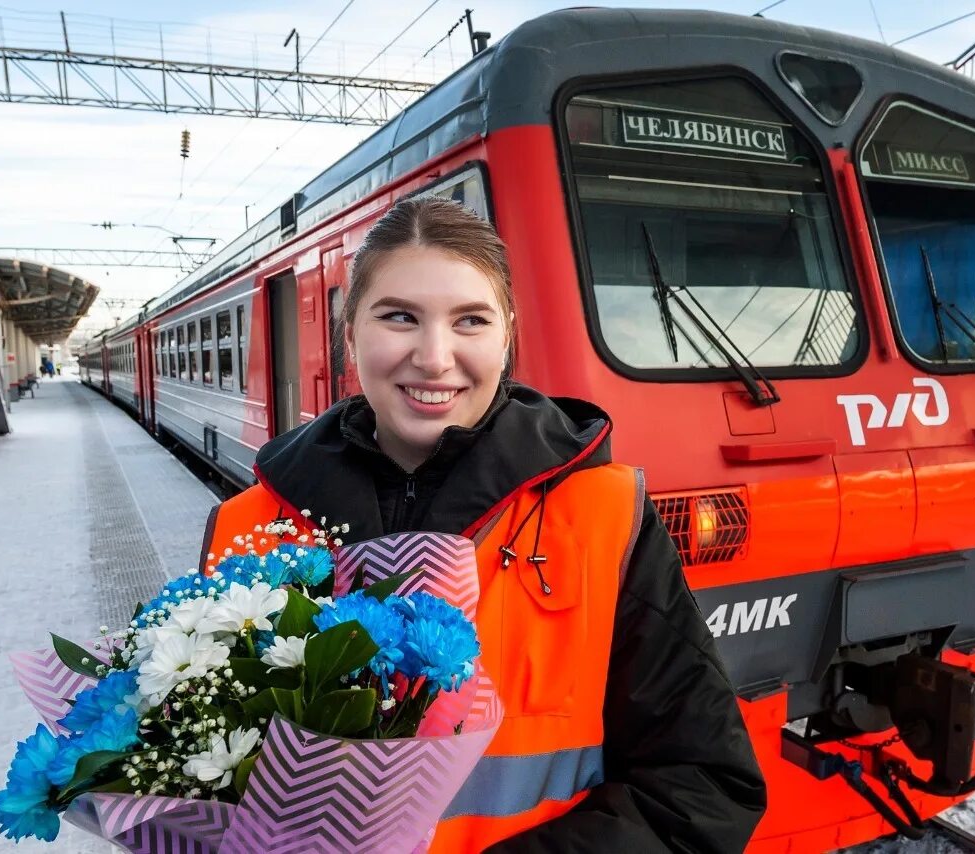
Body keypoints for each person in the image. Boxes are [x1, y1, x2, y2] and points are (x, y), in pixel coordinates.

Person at [199, 197, 765, 852]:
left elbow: (705, 787)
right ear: (349, 334)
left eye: (470, 320)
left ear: (507, 337)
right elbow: (205, 770)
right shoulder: (245, 527)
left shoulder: (606, 516)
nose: (435, 357)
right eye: (400, 317)